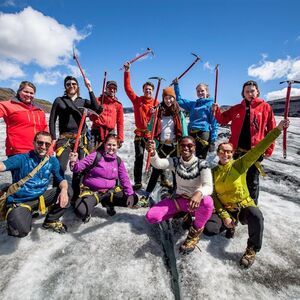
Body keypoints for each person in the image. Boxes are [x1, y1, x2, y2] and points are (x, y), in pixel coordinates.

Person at [204, 120, 289, 268]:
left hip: (243, 206)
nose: (226, 154)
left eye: (229, 151)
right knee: (210, 230)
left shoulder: (239, 165)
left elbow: (258, 149)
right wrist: (224, 216)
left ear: (233, 153)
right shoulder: (213, 172)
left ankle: (252, 249)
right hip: (227, 209)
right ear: (218, 153)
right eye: (223, 151)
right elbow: (214, 196)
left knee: (256, 215)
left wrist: (278, 130)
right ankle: (231, 225)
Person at [145, 136, 214, 253]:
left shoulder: (202, 164)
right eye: (183, 145)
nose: (186, 148)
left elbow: (208, 186)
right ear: (179, 147)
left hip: (196, 203)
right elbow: (158, 164)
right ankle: (182, 214)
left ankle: (194, 232)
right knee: (151, 217)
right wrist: (152, 152)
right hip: (179, 201)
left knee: (207, 201)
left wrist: (199, 193)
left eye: (190, 146)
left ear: (195, 147)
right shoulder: (176, 162)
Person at [213, 80, 276, 204]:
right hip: (236, 151)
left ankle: (251, 208)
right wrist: (216, 111)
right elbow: (222, 119)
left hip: (254, 152)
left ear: (257, 92)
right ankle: (236, 204)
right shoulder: (237, 108)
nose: (250, 93)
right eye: (247, 91)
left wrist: (268, 149)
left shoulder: (265, 107)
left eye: (252, 90)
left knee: (252, 181)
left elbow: (272, 130)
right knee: (235, 179)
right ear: (243, 93)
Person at [0, 131, 70, 237]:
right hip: (21, 201)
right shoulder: (22, 158)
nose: (43, 146)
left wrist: (64, 190)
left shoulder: (52, 161)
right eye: (40, 143)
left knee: (68, 190)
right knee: (20, 230)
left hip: (40, 198)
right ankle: (17, 216)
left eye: (47, 144)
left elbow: (61, 179)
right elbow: (2, 166)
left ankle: (51, 220)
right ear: (34, 143)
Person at [49, 76, 99, 200]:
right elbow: (52, 120)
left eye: (74, 84)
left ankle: (76, 196)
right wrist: (53, 138)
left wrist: (90, 88)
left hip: (81, 139)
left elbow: (97, 109)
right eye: (68, 84)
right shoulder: (59, 100)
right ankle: (57, 196)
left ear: (77, 86)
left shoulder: (83, 102)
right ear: (65, 87)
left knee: (80, 168)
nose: (71, 86)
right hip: (64, 138)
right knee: (60, 167)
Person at [69, 133, 138, 222]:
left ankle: (108, 203)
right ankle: (88, 209)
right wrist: (73, 161)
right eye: (109, 144)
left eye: (114, 145)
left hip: (110, 192)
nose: (111, 147)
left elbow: (124, 178)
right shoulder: (95, 156)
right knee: (81, 212)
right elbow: (77, 168)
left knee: (134, 197)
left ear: (117, 147)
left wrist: (130, 194)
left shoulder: (118, 161)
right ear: (104, 145)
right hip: (93, 192)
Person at [141, 86, 187, 205]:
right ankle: (147, 194)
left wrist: (185, 143)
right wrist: (151, 117)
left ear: (174, 98)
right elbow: (150, 127)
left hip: (174, 145)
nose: (168, 100)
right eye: (166, 98)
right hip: (160, 145)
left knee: (176, 170)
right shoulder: (157, 111)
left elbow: (184, 129)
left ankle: (177, 193)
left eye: (171, 98)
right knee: (156, 170)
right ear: (163, 98)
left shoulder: (179, 112)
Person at [123, 61, 159, 190]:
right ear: (143, 90)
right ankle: (138, 181)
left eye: (150, 90)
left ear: (153, 91)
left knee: (154, 158)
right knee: (139, 158)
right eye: (146, 89)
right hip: (139, 134)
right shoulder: (137, 100)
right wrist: (127, 71)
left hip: (150, 136)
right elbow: (128, 89)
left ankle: (155, 180)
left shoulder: (157, 103)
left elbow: (160, 119)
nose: (148, 91)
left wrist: (156, 113)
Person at [0, 81, 48, 157]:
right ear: (19, 92)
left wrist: (49, 149)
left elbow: (45, 129)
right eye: (26, 92)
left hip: (39, 151)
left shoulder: (39, 110)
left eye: (31, 93)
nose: (29, 95)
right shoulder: (7, 105)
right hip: (18, 153)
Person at [173, 78, 218, 159]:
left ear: (207, 92)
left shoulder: (211, 105)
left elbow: (214, 123)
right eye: (198, 91)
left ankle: (199, 171)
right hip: (191, 133)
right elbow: (179, 101)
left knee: (200, 159)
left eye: (202, 91)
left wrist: (213, 141)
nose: (200, 93)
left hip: (203, 134)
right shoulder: (193, 104)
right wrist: (176, 86)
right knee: (188, 157)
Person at [90, 80, 124, 148]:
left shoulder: (118, 105)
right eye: (110, 88)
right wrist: (98, 118)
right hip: (96, 131)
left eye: (114, 88)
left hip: (110, 133)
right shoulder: (97, 100)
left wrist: (120, 138)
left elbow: (120, 122)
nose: (112, 90)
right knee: (93, 155)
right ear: (106, 89)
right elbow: (91, 115)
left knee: (108, 155)